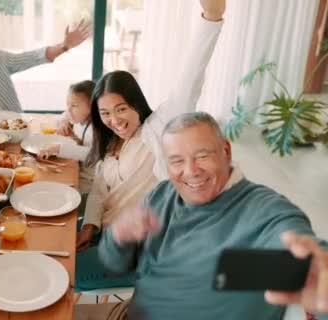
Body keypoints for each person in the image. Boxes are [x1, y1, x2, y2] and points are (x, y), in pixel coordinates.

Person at [76, 112, 328, 320]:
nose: (190, 171)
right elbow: (116, 262)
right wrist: (120, 239)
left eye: (202, 156)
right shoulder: (163, 195)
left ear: (226, 151)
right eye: (176, 161)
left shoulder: (265, 211)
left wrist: (309, 269)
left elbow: (295, 248)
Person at [72, 0, 225, 294]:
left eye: (121, 109)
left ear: (136, 105)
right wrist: (89, 227)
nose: (114, 120)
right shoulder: (110, 144)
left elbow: (188, 83)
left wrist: (212, 18)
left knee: (66, 274)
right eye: (105, 113)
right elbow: (101, 192)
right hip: (109, 233)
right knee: (53, 239)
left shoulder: (157, 131)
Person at [39, 80, 95, 193]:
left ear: (91, 107)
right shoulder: (79, 118)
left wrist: (59, 149)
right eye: (67, 104)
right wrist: (63, 122)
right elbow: (64, 115)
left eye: (74, 106)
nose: (68, 109)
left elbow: (91, 155)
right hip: (76, 167)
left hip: (89, 180)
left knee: (51, 186)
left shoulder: (96, 129)